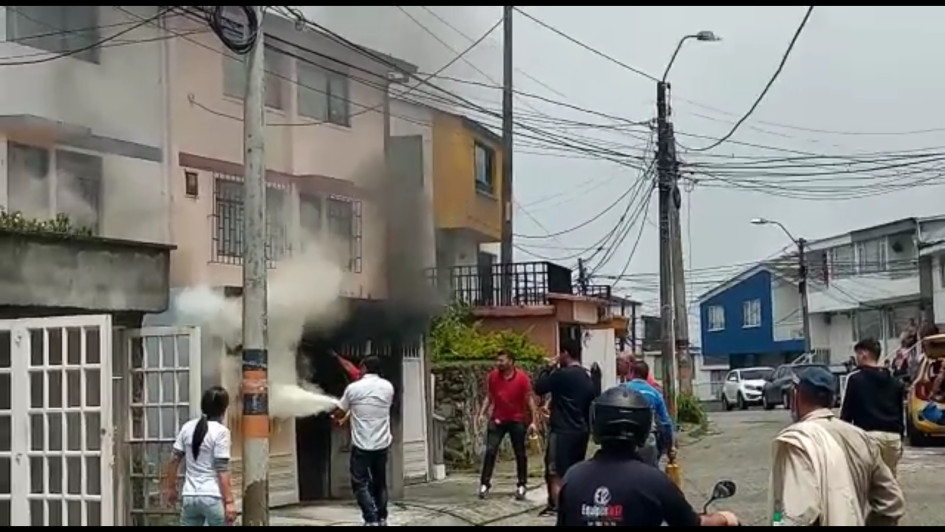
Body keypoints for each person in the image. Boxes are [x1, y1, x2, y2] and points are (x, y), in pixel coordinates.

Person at [556, 386, 739, 526]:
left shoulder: (573, 476)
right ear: (643, 427)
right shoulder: (654, 481)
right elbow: (693, 524)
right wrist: (725, 518)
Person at [770, 366, 905, 526]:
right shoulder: (861, 437)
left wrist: (776, 522)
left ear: (796, 396)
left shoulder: (797, 440)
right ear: (832, 400)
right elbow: (891, 503)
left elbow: (795, 514)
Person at [534, 339, 597, 515]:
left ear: (565, 353)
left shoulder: (562, 375)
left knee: (554, 471)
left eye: (560, 353)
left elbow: (539, 387)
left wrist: (548, 367)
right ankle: (573, 504)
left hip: (562, 430)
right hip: (581, 431)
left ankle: (557, 507)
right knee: (574, 470)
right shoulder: (586, 377)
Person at [334, 356, 395, 526]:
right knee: (380, 482)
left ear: (364, 368)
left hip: (361, 445)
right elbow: (368, 407)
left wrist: (335, 416)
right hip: (382, 444)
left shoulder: (353, 389)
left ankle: (371, 518)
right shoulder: (388, 387)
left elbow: (340, 412)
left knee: (360, 483)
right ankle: (382, 518)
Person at [162, 386, 236, 526]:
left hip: (189, 496)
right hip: (212, 496)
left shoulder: (188, 427)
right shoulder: (221, 432)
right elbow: (222, 470)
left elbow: (174, 460)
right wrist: (229, 501)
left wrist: (171, 488)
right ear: (223, 409)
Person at [477, 349, 541, 501]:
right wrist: (481, 413)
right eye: (498, 360)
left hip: (517, 419)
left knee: (520, 453)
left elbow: (529, 399)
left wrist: (534, 420)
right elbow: (489, 396)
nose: (498, 363)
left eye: (502, 361)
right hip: (498, 418)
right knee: (491, 450)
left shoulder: (522, 378)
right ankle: (484, 483)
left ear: (511, 361)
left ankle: (522, 484)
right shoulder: (493, 376)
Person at [840, 338, 905, 475]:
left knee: (867, 482)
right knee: (889, 482)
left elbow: (847, 412)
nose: (856, 358)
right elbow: (900, 412)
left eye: (857, 354)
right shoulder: (894, 381)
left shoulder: (855, 379)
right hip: (893, 438)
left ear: (864, 354)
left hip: (868, 436)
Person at [623, 359, 673, 465]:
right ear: (647, 375)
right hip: (647, 439)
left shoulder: (622, 390)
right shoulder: (655, 394)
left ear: (631, 373)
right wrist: (670, 446)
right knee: (651, 473)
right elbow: (666, 422)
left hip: (624, 440)